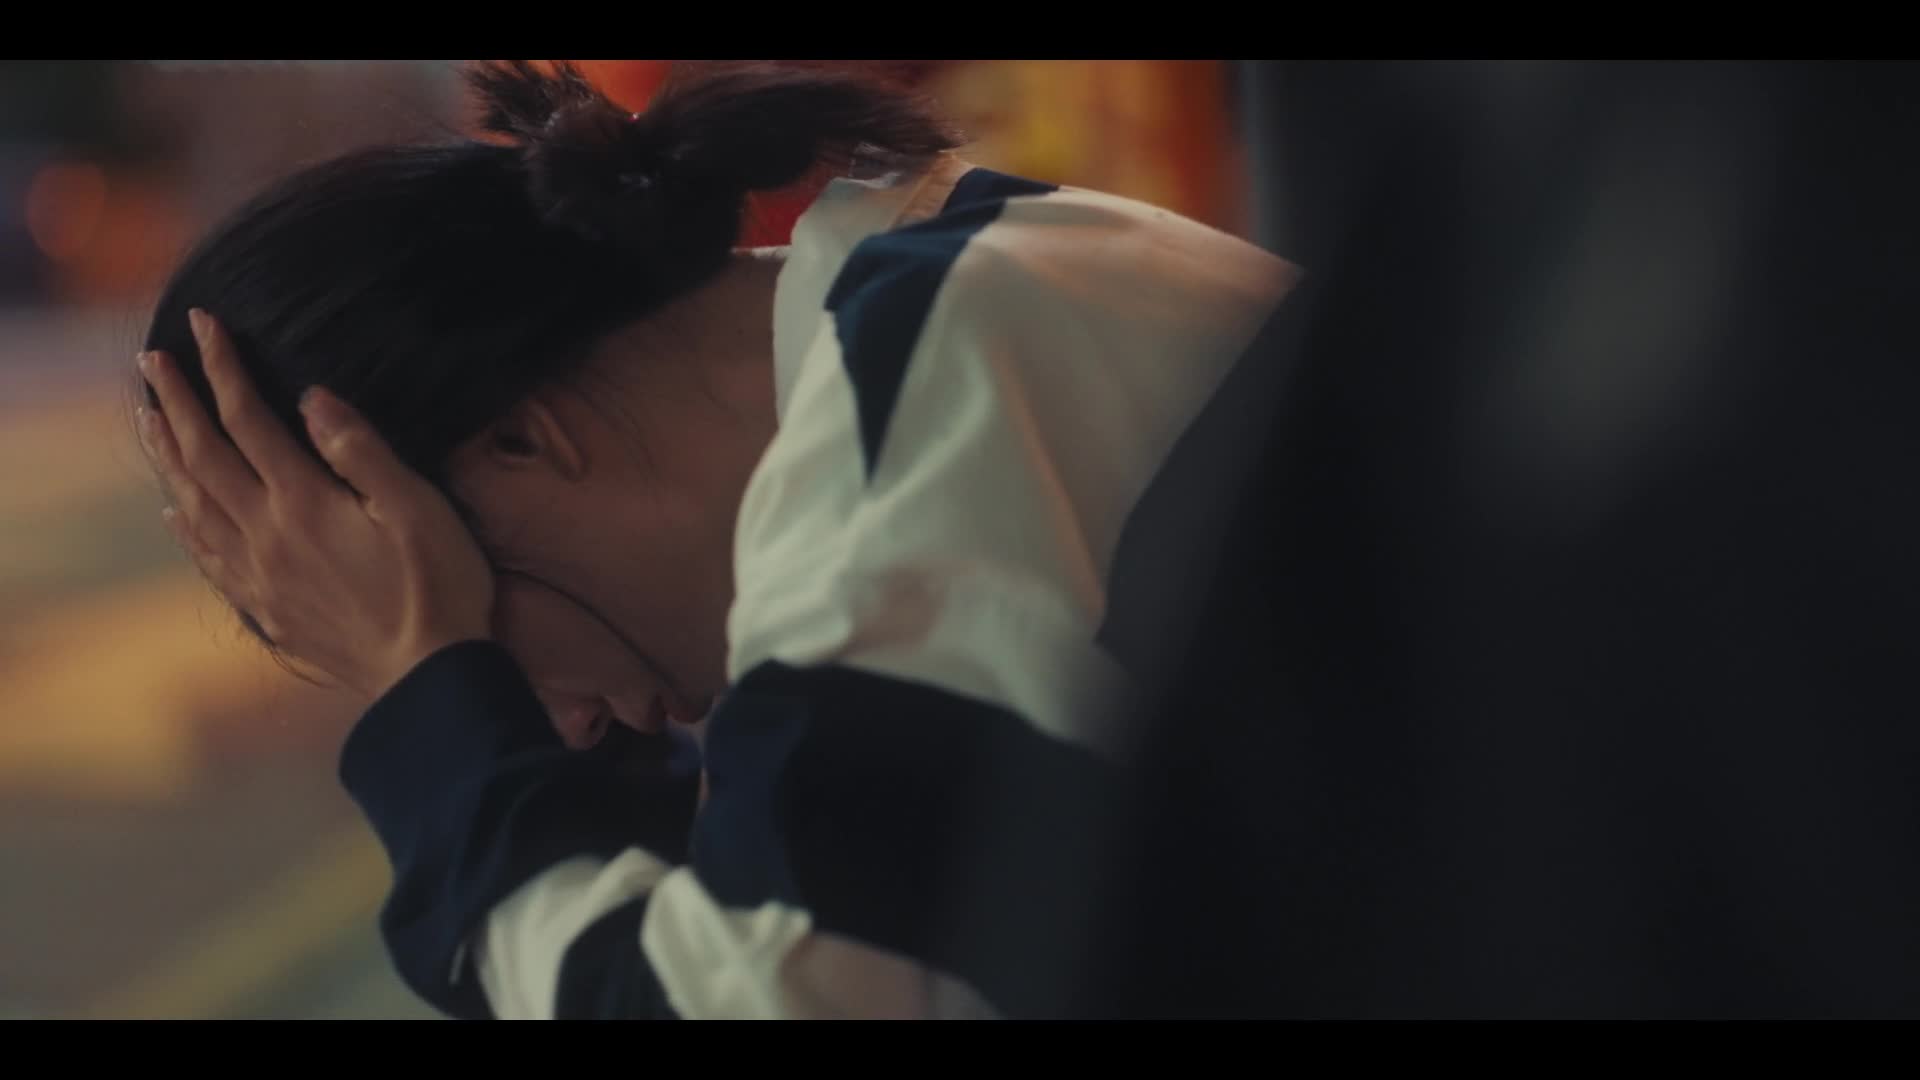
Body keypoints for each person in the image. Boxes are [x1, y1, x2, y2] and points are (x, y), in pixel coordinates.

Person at [135, 60, 1297, 1019]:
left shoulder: (920, 403)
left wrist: (428, 706)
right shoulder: (933, 293)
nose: (563, 727)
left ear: (521, 442)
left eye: (439, 607)